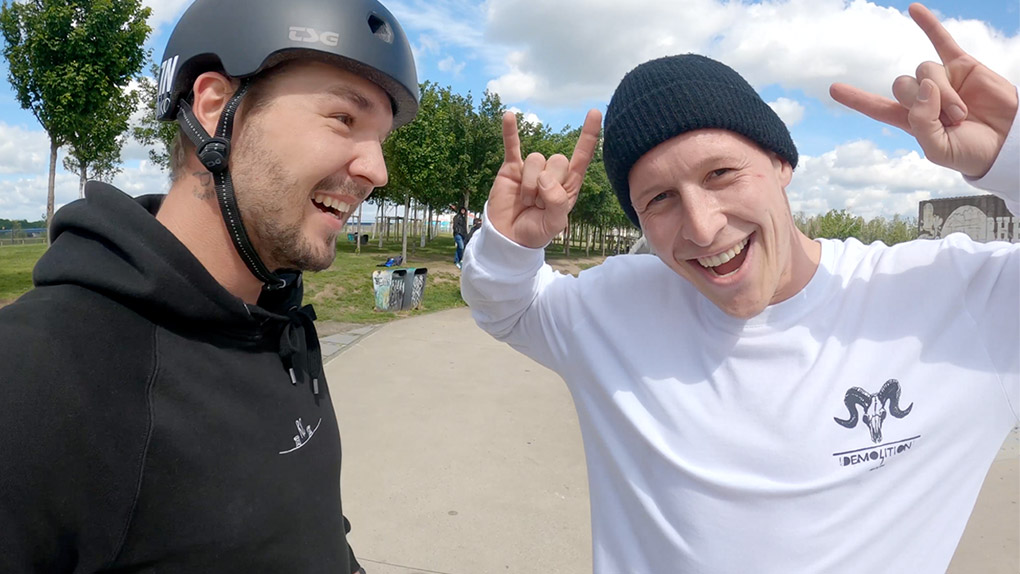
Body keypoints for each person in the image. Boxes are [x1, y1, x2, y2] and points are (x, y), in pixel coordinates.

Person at [461, 3, 1017, 573]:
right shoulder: (615, 306)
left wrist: (1013, 156)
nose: (702, 227)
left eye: (720, 174)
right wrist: (511, 243)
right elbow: (507, 307)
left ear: (780, 163)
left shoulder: (953, 301)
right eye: (659, 199)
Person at [0, 0, 418, 572]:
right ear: (216, 107)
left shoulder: (280, 328)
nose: (377, 170)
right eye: (344, 119)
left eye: (381, 138)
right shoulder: (39, 372)